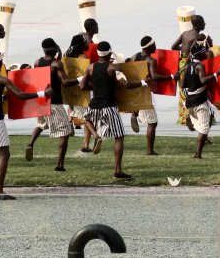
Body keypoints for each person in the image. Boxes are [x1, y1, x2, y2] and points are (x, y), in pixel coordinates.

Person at [0, 51, 51, 199]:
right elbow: (20, 95)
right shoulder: (1, 80)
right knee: (4, 154)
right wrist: (42, 93)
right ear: (0, 63)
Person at [80, 41, 145, 179]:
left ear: (98, 54)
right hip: (109, 106)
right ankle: (117, 170)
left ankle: (96, 136)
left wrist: (95, 87)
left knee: (86, 119)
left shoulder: (90, 68)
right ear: (109, 53)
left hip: (94, 104)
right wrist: (143, 82)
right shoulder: (112, 68)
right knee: (119, 137)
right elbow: (125, 84)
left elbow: (82, 87)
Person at [25, 38, 80, 171]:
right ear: (53, 48)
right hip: (55, 102)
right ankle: (60, 165)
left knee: (41, 124)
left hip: (42, 101)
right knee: (65, 133)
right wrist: (80, 79)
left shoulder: (37, 62)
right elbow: (65, 82)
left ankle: (30, 143)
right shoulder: (56, 64)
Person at [128, 36, 176, 155]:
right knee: (153, 122)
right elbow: (155, 77)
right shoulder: (151, 61)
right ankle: (149, 150)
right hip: (145, 92)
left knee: (150, 119)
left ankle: (135, 113)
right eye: (154, 44)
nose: (156, 46)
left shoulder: (134, 56)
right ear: (149, 46)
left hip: (135, 90)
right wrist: (171, 77)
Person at [183, 41, 220, 159]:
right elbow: (202, 80)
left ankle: (191, 121)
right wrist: (218, 74)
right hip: (199, 101)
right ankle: (197, 154)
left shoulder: (187, 66)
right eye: (204, 52)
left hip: (189, 100)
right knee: (205, 129)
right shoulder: (199, 66)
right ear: (199, 54)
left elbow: (184, 84)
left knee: (203, 125)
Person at [171, 15, 211, 125]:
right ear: (198, 25)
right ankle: (193, 115)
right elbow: (194, 51)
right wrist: (189, 52)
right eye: (203, 22)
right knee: (194, 88)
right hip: (190, 63)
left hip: (181, 63)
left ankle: (184, 117)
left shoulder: (184, 34)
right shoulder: (197, 37)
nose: (205, 24)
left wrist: (184, 50)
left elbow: (173, 47)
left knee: (183, 89)